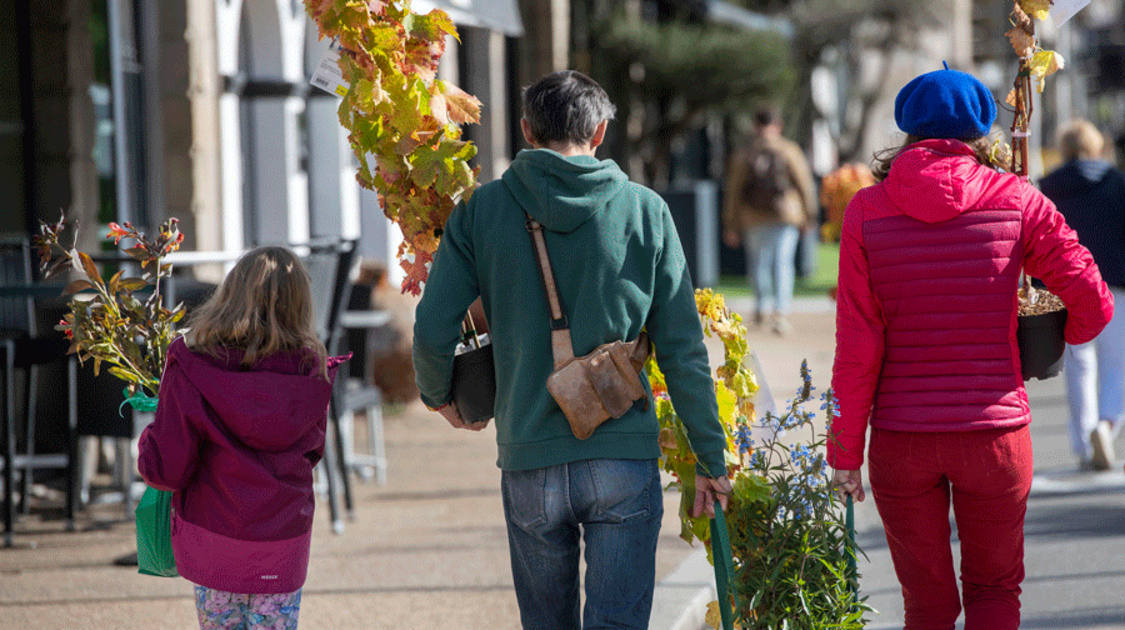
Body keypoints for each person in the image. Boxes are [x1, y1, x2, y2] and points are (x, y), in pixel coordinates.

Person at [412, 70, 731, 630]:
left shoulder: (480, 212)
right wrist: (709, 457)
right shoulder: (645, 211)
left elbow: (433, 326)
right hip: (622, 452)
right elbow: (683, 350)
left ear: (526, 130)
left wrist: (441, 397)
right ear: (601, 130)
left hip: (529, 451)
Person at [828, 68, 1114, 630]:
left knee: (927, 606)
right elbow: (1094, 302)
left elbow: (857, 346)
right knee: (994, 592)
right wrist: (1055, 337)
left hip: (901, 438)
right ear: (983, 131)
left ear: (907, 129)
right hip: (995, 435)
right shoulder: (1018, 199)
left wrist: (844, 453)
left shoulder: (865, 212)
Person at [138, 246, 347, 630]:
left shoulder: (191, 362)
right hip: (282, 542)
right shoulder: (311, 372)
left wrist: (147, 442)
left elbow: (167, 468)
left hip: (214, 540)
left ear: (228, 295)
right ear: (300, 305)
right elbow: (312, 453)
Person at [1039, 120, 1125, 471]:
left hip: (1067, 288)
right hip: (1116, 283)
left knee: (1079, 365)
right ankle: (1106, 424)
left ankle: (1083, 438)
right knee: (1116, 363)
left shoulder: (1049, 187)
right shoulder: (1115, 183)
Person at [722, 106, 818, 335]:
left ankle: (761, 308)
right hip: (786, 215)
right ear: (779, 125)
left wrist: (731, 224)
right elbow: (804, 183)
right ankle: (781, 312)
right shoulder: (789, 150)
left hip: (754, 217)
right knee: (783, 262)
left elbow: (734, 191)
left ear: (756, 125)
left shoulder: (745, 153)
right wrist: (809, 215)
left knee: (759, 263)